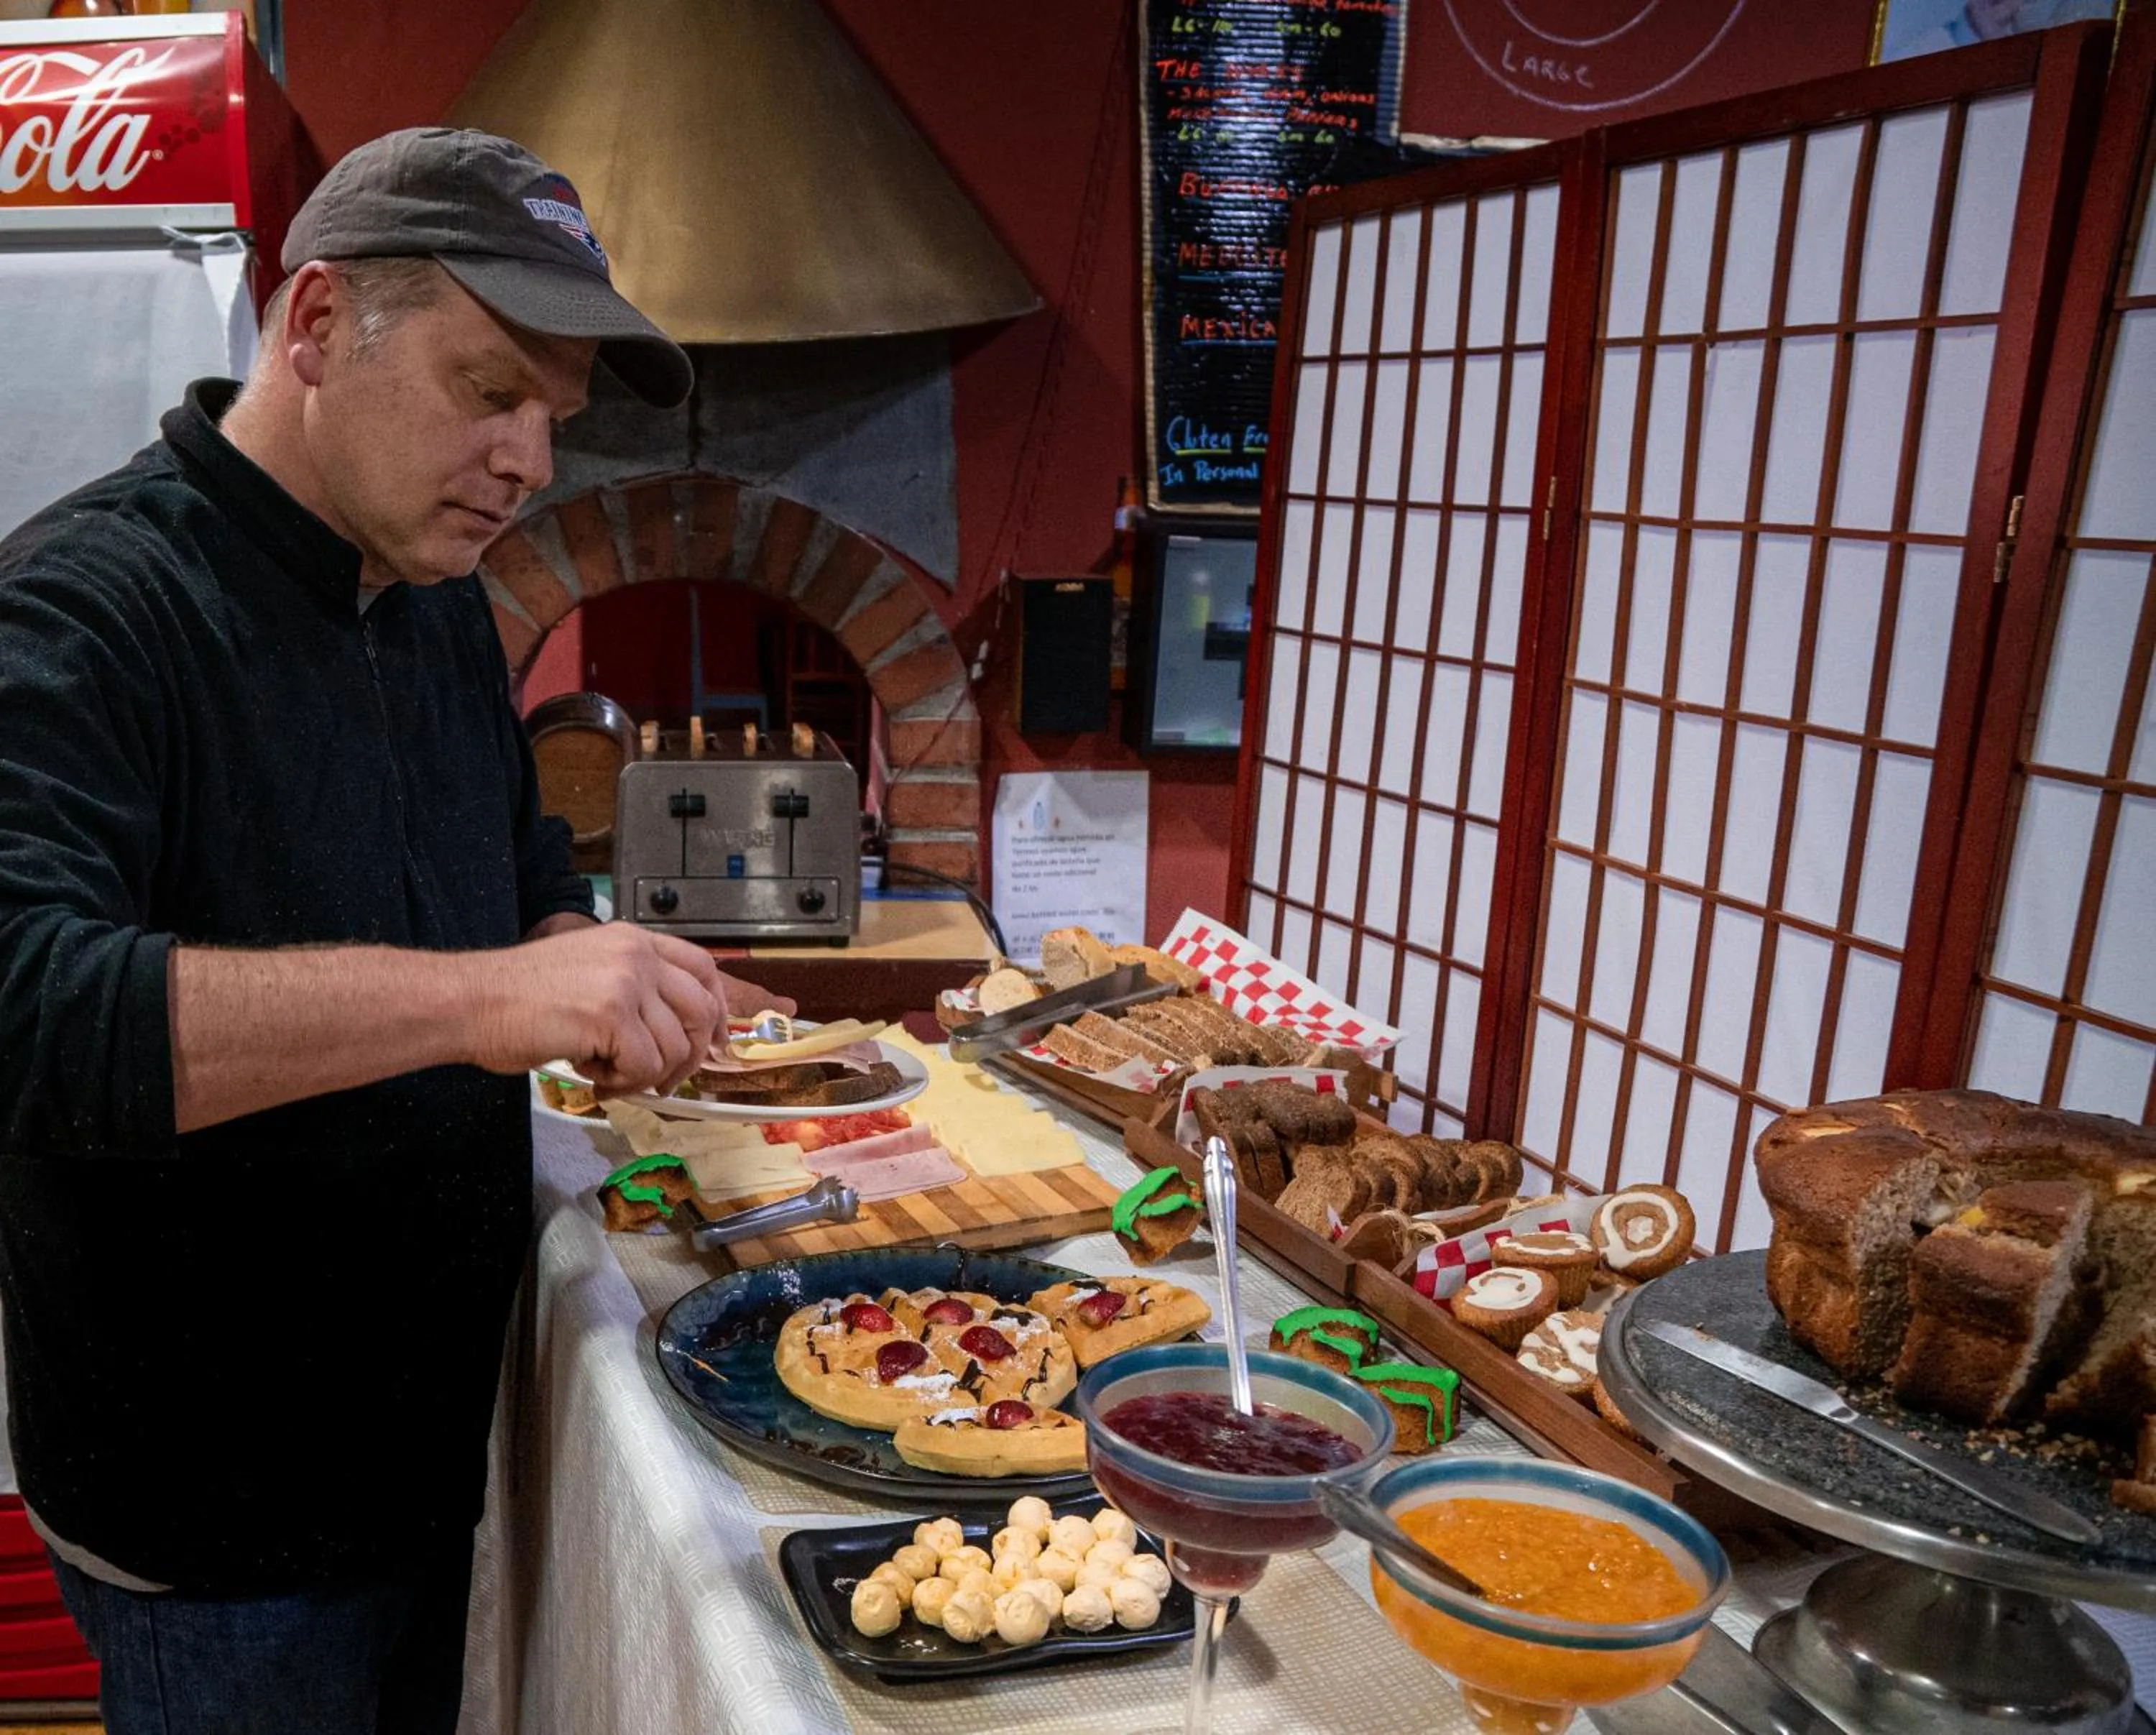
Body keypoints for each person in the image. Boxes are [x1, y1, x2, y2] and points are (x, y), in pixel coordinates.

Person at [0, 128, 780, 1734]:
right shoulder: (86, 607)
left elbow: (520, 881)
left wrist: (615, 980)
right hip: (217, 1515)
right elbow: (31, 1012)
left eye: (551, 418)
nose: (528, 460)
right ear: (313, 325)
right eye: (487, 388)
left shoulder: (433, 605)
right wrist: (490, 999)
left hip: (432, 1450)